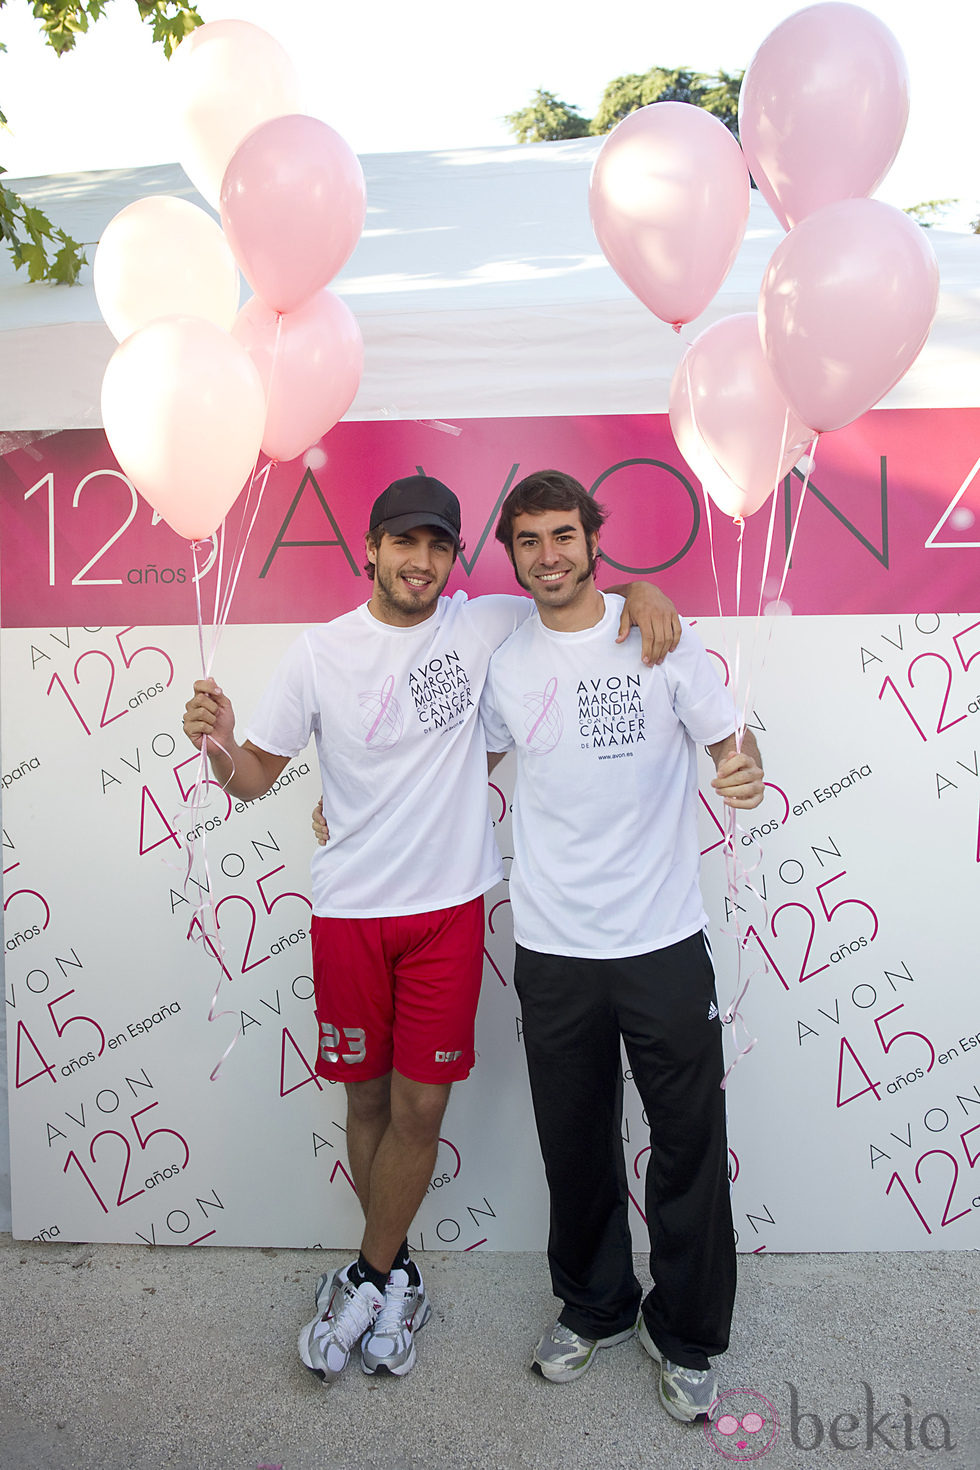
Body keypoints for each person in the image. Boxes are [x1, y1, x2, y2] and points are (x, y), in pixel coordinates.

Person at [182, 473, 679, 1388]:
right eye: (403, 543)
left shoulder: (481, 622)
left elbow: (576, 592)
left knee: (418, 1109)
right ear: (368, 549)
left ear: (454, 559)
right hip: (346, 915)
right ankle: (397, 1273)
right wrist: (216, 744)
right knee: (365, 1104)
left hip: (448, 910)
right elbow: (253, 778)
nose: (421, 561)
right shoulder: (316, 652)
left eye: (439, 546)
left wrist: (642, 591)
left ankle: (365, 1278)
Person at [477, 469, 765, 1424]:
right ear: (512, 554)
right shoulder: (505, 662)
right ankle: (593, 1303)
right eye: (529, 541)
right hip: (554, 947)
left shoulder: (663, 637)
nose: (548, 556)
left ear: (595, 539)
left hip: (664, 940)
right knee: (575, 1140)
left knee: (688, 1141)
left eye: (564, 535)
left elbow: (732, 744)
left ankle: (685, 1331)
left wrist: (744, 769)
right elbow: (460, 772)